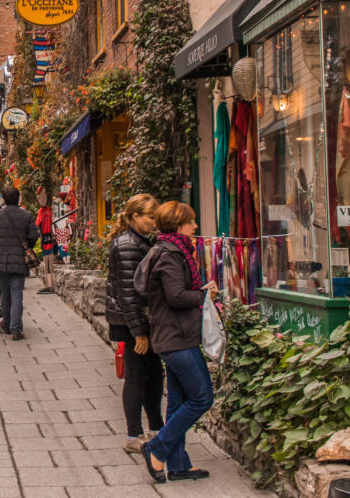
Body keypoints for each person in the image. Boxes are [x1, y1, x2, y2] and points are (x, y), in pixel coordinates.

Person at [139, 201, 219, 484]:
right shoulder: (170, 255)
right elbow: (175, 296)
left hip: (173, 335)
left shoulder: (170, 250)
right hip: (176, 338)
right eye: (191, 221)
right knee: (202, 397)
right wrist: (203, 295)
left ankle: (178, 464)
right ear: (178, 224)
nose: (195, 226)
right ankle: (157, 447)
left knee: (178, 401)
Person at [106, 194, 164, 454]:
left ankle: (155, 428)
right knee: (137, 377)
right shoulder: (128, 244)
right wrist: (139, 332)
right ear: (134, 217)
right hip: (133, 322)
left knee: (151, 375)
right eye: (151, 217)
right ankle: (133, 435)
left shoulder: (137, 241)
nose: (155, 222)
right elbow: (128, 293)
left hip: (139, 320)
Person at [0, 187, 39, 341]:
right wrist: (26, 246)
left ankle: (7, 323)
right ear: (18, 198)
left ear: (4, 199)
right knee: (17, 293)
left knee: (5, 293)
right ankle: (16, 328)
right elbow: (34, 234)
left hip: (1, 259)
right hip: (18, 260)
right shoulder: (26, 215)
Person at [35, 189, 56, 293]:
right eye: (41, 197)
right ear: (39, 199)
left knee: (49, 261)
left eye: (44, 197)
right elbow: (37, 223)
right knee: (47, 261)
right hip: (45, 237)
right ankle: (49, 284)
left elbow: (37, 224)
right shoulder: (42, 211)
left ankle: (50, 285)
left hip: (48, 237)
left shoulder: (47, 210)